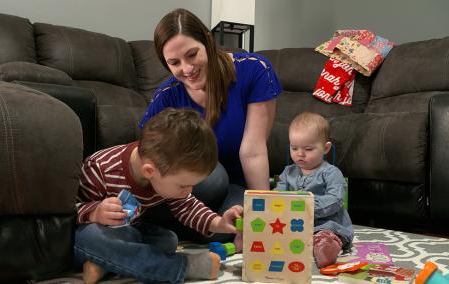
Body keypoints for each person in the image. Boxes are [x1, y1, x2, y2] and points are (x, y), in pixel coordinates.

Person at [139, 8, 282, 244]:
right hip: (185, 190)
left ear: (208, 40)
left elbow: (253, 151)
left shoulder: (255, 70)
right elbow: (145, 157)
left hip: (235, 186)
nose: (186, 69)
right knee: (215, 176)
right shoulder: (167, 95)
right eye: (174, 63)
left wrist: (262, 214)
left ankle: (168, 233)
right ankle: (162, 228)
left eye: (192, 55)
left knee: (233, 226)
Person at [74, 108, 243, 284]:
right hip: (93, 236)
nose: (189, 191)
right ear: (149, 171)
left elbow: (188, 207)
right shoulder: (100, 168)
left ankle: (107, 262)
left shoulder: (162, 170)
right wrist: (95, 212)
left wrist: (220, 223)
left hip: (131, 233)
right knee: (92, 237)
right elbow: (70, 213)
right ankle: (181, 267)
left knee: (168, 240)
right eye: (183, 185)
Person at [274, 111, 353, 268]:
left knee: (326, 235)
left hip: (325, 223)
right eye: (294, 148)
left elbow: (335, 200)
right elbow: (278, 195)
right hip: (292, 224)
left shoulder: (331, 173)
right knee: (274, 232)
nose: (300, 154)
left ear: (325, 148)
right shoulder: (287, 172)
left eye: (308, 149)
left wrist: (306, 207)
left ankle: (326, 247)